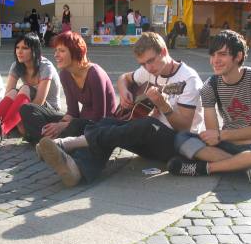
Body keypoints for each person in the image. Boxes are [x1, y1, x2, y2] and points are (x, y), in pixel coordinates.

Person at [36, 32, 204, 187]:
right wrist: (124, 92)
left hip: (176, 145)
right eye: (143, 64)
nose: (148, 68)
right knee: (107, 123)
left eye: (151, 61)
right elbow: (124, 78)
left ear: (164, 51)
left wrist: (164, 106)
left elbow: (184, 129)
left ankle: (67, 144)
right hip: (149, 139)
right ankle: (77, 169)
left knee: (145, 124)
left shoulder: (188, 79)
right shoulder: (150, 70)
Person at [168, 30, 251, 186]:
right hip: (230, 144)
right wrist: (223, 137)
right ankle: (248, 165)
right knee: (182, 139)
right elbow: (212, 136)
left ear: (238, 56)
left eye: (222, 54)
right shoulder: (210, 86)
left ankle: (206, 168)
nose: (215, 60)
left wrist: (224, 136)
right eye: (213, 55)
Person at [20, 31, 116, 144]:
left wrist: (64, 125)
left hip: (99, 127)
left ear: (75, 52)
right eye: (56, 50)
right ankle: (52, 141)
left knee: (75, 125)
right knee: (27, 109)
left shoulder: (95, 74)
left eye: (62, 51)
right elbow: (72, 111)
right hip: (78, 120)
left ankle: (45, 139)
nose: (56, 55)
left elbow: (99, 118)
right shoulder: (65, 74)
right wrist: (61, 124)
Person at [0, 33, 62, 144]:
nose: (19, 51)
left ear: (35, 50)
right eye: (17, 47)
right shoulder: (16, 65)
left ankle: (3, 130)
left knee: (24, 88)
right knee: (13, 92)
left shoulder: (45, 66)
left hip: (49, 110)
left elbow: (39, 101)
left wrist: (20, 117)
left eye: (25, 48)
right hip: (29, 106)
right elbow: (8, 93)